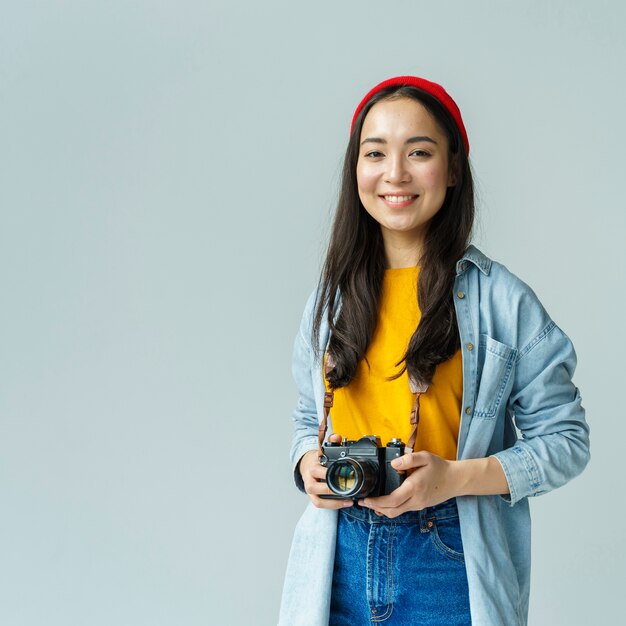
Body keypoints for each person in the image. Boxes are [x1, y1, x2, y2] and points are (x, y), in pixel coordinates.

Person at [278, 75, 590, 626]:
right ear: (356, 169)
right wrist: (306, 463)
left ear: (452, 168)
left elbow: (566, 441)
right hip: (338, 557)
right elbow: (309, 418)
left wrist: (452, 479)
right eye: (375, 153)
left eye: (418, 152)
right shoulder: (330, 300)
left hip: (448, 556)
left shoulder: (501, 300)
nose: (394, 173)